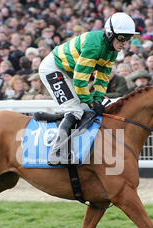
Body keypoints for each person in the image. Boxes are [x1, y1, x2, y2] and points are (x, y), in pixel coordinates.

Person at [38, 12, 138, 165]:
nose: (125, 43)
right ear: (110, 34)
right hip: (53, 68)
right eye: (122, 38)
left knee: (84, 108)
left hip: (69, 71)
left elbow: (103, 77)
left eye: (128, 38)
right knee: (76, 110)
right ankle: (55, 151)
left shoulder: (112, 50)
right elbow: (79, 82)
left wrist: (97, 100)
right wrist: (92, 103)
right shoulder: (94, 45)